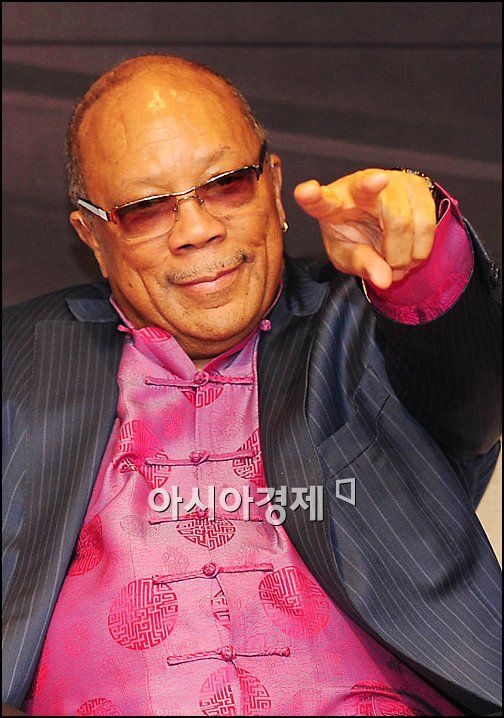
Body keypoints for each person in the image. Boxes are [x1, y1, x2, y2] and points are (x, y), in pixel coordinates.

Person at [2, 54, 501, 717]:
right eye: (146, 209)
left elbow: (469, 402)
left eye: (227, 184)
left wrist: (418, 263)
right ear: (93, 236)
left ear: (273, 184)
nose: (197, 230)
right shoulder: (18, 359)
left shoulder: (363, 323)